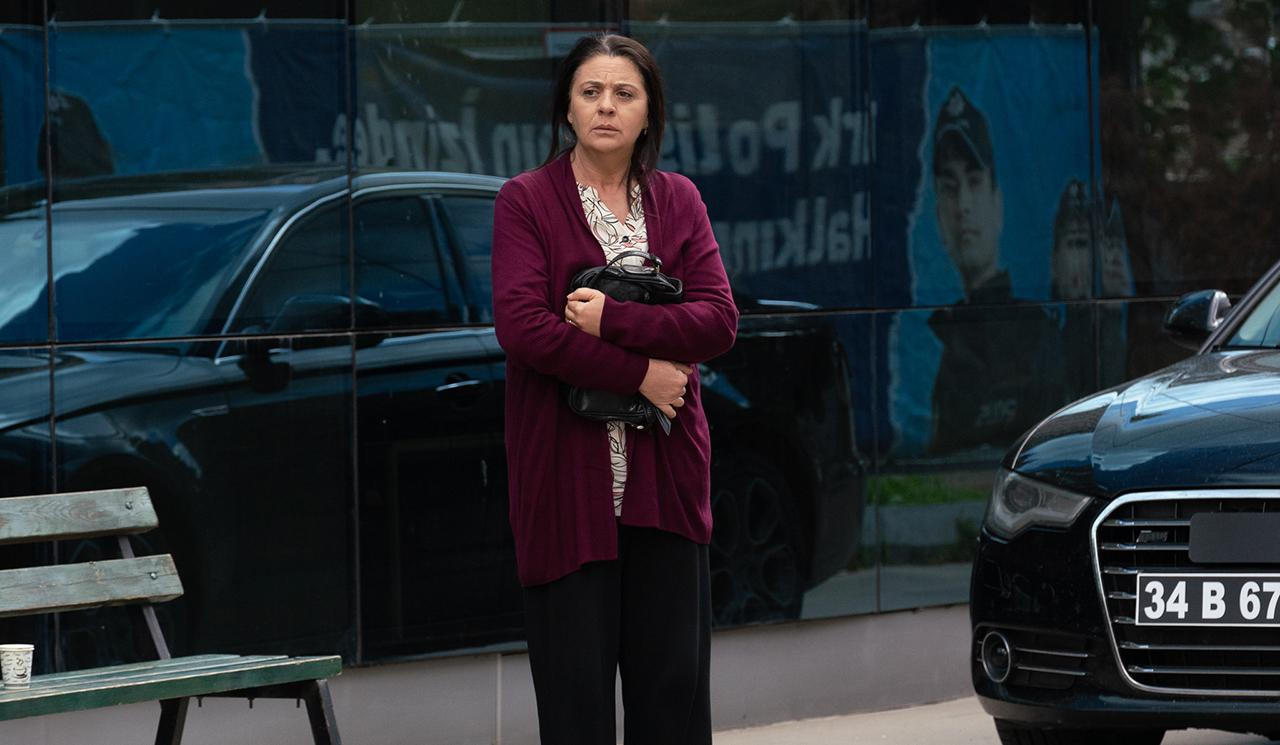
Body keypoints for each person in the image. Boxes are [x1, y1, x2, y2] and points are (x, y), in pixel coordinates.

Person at [490, 33, 737, 745]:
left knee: (673, 705)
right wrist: (642, 373)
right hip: (565, 492)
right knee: (577, 710)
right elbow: (525, 329)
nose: (606, 106)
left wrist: (612, 319)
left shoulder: (679, 200)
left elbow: (718, 320)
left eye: (624, 93)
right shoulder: (525, 201)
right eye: (591, 91)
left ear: (648, 111)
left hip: (667, 485)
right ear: (566, 108)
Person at [926, 86, 1065, 455]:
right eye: (949, 187)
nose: (963, 206)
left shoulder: (1035, 335)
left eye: (974, 182)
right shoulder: (950, 347)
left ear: (997, 203)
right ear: (938, 216)